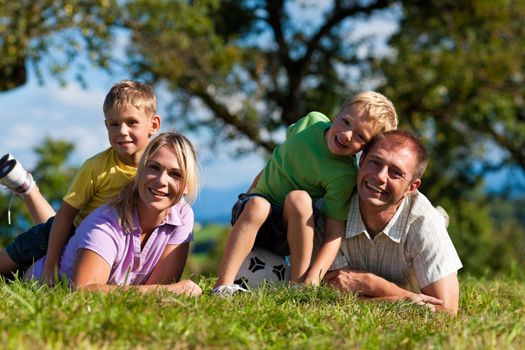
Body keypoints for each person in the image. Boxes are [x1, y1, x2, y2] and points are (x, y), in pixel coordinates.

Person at [214, 91, 398, 294]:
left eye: (360, 136)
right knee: (258, 205)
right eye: (346, 122)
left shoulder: (343, 175)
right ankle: (223, 286)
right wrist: (249, 195)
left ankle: (298, 287)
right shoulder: (311, 122)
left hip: (285, 231)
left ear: (366, 149)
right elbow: (279, 159)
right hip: (251, 211)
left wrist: (315, 275)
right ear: (336, 115)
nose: (347, 135)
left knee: (299, 198)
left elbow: (334, 232)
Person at [0, 80, 161, 282]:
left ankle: (27, 188)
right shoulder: (96, 168)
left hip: (101, 240)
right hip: (56, 236)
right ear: (106, 126)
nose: (122, 131)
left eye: (131, 122)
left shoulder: (159, 169)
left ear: (153, 124)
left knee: (14, 277)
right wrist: (51, 264)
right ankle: (27, 190)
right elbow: (65, 217)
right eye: (114, 124)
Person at [23, 132, 201, 295]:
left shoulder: (183, 215)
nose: (162, 180)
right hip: (37, 280)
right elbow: (82, 291)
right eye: (154, 167)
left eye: (175, 174)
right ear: (140, 171)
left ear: (186, 186)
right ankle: (27, 189)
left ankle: (29, 191)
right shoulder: (106, 223)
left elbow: (158, 287)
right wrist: (169, 291)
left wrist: (162, 291)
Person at [322, 130, 462, 314]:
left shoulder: (424, 223)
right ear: (361, 161)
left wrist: (370, 284)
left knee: (431, 227)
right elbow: (328, 292)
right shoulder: (331, 207)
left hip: (419, 227)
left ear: (411, 187)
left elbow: (446, 312)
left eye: (395, 173)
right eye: (375, 162)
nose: (380, 176)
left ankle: (441, 228)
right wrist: (413, 301)